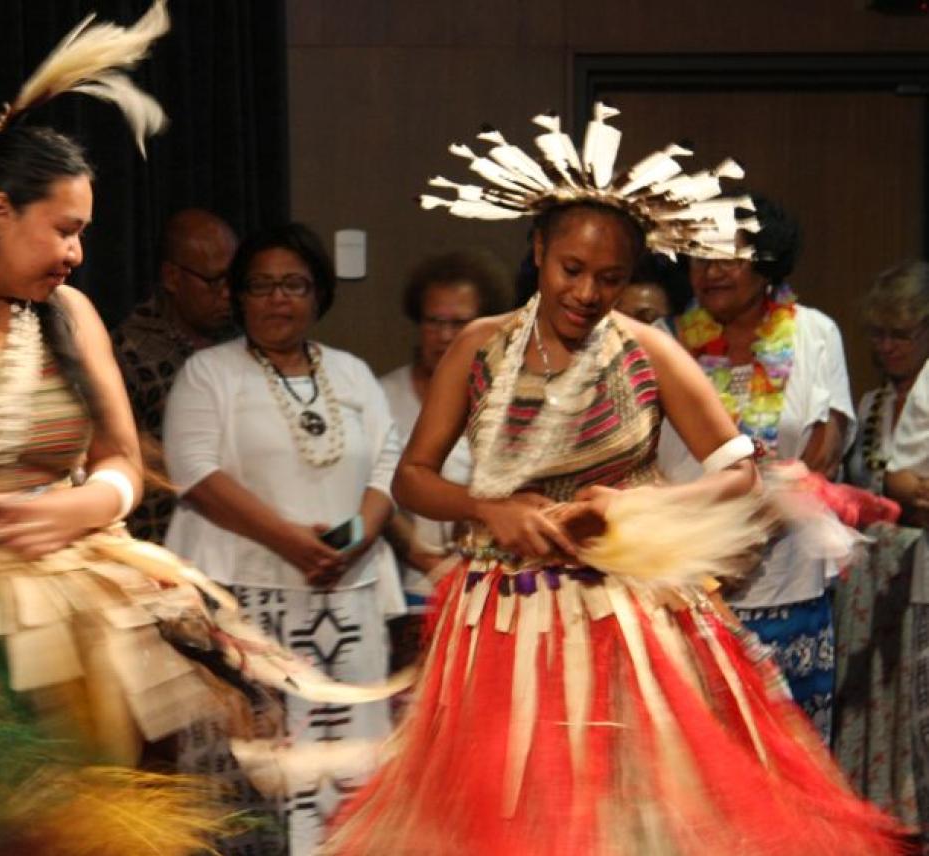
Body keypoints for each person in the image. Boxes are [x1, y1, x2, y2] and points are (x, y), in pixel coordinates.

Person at [0, 7, 375, 850]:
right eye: (65, 229)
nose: (77, 253)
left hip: (62, 599)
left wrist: (74, 509)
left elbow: (124, 464)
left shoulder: (73, 317)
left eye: (82, 233)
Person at [328, 104, 902, 854]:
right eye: (572, 270)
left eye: (611, 278)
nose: (588, 293)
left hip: (622, 615)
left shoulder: (647, 349)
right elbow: (413, 479)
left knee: (629, 818)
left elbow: (741, 474)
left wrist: (647, 504)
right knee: (508, 817)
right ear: (537, 250)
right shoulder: (479, 346)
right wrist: (486, 508)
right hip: (499, 614)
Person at [162, 222, 402, 854]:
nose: (277, 299)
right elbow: (194, 473)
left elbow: (387, 465)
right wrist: (293, 542)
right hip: (246, 605)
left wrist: (347, 541)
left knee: (347, 773)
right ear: (238, 296)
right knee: (257, 785)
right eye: (261, 285)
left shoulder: (351, 374)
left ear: (317, 294)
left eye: (292, 284)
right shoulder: (209, 373)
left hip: (343, 599)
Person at [663, 194, 854, 739]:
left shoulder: (815, 331)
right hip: (691, 585)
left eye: (728, 255)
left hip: (787, 585)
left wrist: (750, 534)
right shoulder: (666, 339)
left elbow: (824, 450)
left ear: (767, 259)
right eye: (699, 256)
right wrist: (709, 556)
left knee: (792, 765)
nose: (710, 270)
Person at [835, 259, 929, 827]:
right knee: (873, 699)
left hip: (921, 574)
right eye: (878, 334)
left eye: (902, 334)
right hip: (869, 585)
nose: (888, 346)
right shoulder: (869, 408)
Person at [377, 250, 501, 661]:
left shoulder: (505, 402)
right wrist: (423, 557)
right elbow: (374, 488)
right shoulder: (383, 395)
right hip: (405, 589)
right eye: (435, 321)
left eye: (459, 323)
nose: (446, 336)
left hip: (487, 586)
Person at [112, 207, 237, 542]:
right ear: (172, 277)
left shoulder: (242, 339)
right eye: (213, 281)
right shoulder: (130, 351)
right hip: (162, 535)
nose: (227, 293)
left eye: (234, 279)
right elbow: (121, 455)